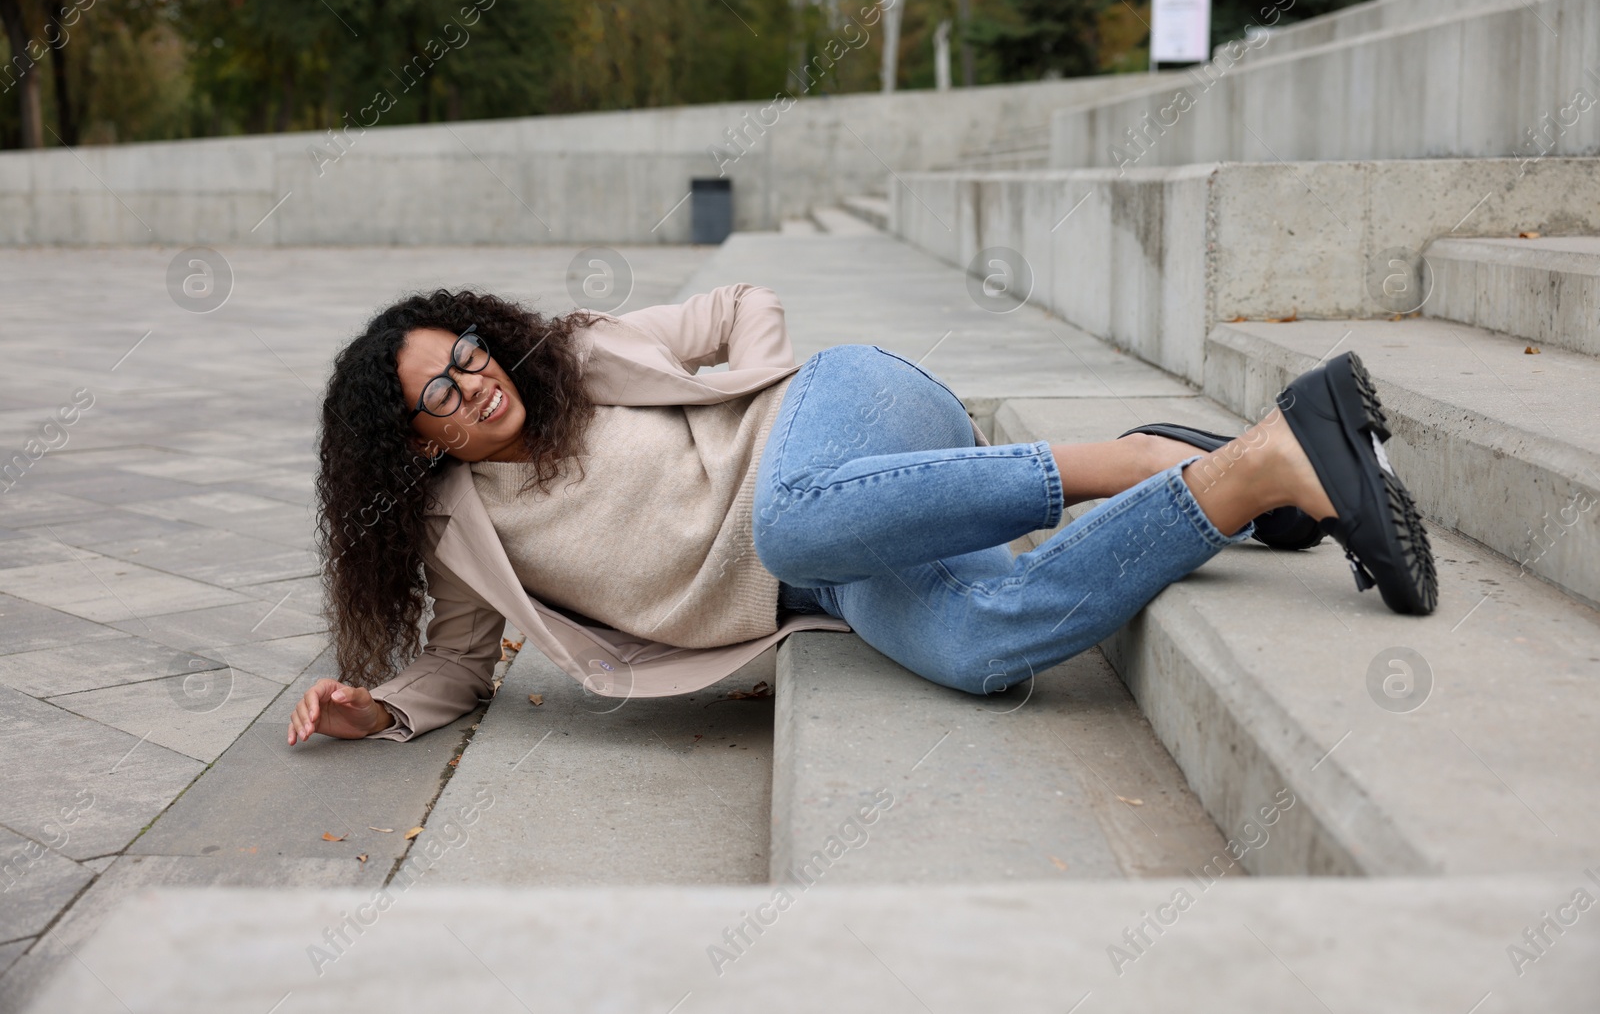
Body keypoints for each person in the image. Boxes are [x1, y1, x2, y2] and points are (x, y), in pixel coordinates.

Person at [287, 284, 1436, 745]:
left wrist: (757, 390)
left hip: (844, 414)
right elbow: (458, 667)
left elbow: (743, 304)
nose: (477, 381)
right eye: (442, 391)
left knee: (788, 516)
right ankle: (1252, 472)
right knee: (980, 644)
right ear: (415, 440)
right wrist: (374, 711)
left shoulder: (579, 352)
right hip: (823, 575)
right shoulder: (461, 532)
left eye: (469, 356)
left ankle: (1132, 456)